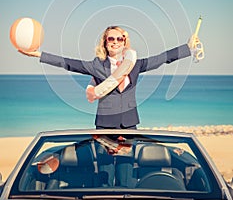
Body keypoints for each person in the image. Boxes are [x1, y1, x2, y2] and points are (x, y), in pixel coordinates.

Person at [20, 25, 199, 129]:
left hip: (129, 124)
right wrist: (39, 55)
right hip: (105, 125)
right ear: (105, 43)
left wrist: (187, 48)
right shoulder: (96, 65)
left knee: (126, 173)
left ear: (124, 42)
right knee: (105, 173)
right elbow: (68, 63)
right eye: (110, 39)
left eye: (119, 39)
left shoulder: (135, 64)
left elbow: (163, 58)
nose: (115, 42)